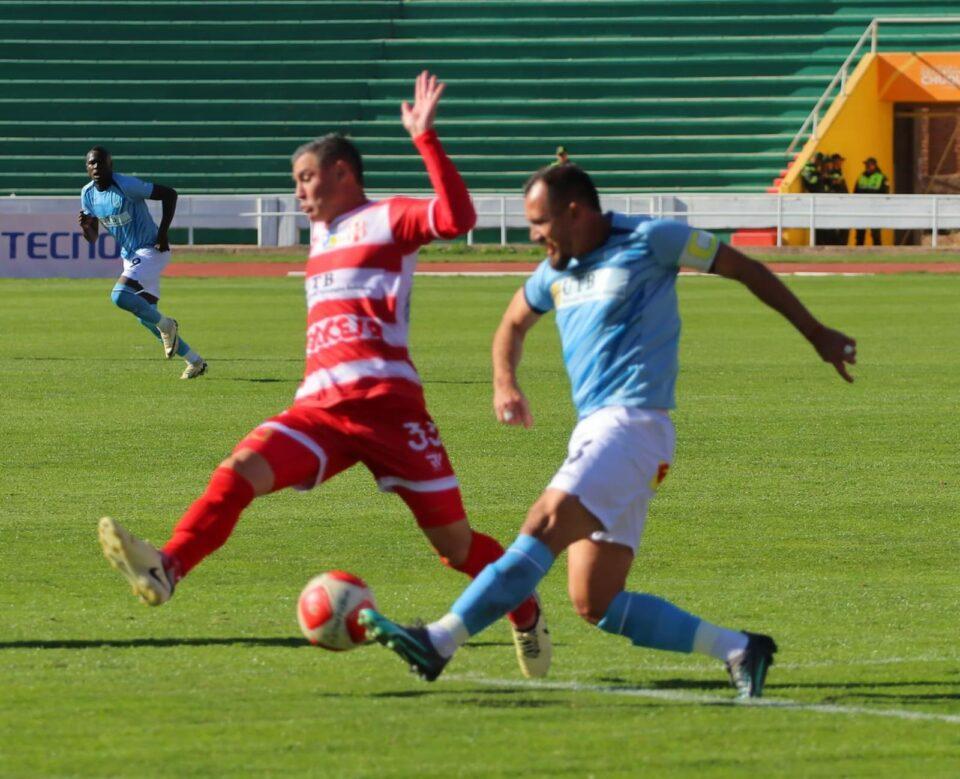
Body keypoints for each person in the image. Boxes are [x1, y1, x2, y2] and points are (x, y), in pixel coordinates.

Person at [96, 72, 550, 679]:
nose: (299, 192)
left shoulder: (389, 218)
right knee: (238, 474)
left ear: (343, 173)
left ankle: (524, 611)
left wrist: (427, 139)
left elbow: (457, 216)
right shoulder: (320, 231)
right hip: (320, 408)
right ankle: (168, 566)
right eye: (295, 182)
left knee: (457, 549)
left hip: (390, 407)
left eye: (306, 178)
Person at [360, 162, 858, 698]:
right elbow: (511, 324)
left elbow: (746, 270)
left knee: (543, 522)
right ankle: (738, 648)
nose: (534, 234)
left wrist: (816, 334)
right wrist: (505, 382)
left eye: (540, 221)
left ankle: (439, 642)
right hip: (598, 431)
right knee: (596, 601)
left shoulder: (653, 239)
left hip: (633, 425)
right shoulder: (554, 269)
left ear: (575, 212)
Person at [79, 147, 207, 379]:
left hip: (151, 250)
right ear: (86, 168)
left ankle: (168, 324)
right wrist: (85, 227)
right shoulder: (87, 194)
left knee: (119, 296)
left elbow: (170, 194)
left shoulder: (126, 185)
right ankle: (195, 361)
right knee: (147, 318)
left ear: (110, 165)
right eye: (91, 163)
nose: (96, 167)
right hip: (130, 256)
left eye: (101, 163)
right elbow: (93, 238)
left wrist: (163, 234)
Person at [854, 157, 890, 246]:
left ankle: (878, 255)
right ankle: (858, 255)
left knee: (875, 234)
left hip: (876, 209)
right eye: (866, 165)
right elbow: (855, 191)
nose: (867, 167)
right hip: (862, 209)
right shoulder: (861, 176)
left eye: (869, 165)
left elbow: (885, 193)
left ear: (874, 165)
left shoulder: (881, 177)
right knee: (860, 234)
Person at [826, 153, 850, 246]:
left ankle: (841, 244)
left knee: (844, 226)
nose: (841, 163)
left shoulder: (838, 172)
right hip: (837, 203)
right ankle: (839, 244)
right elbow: (836, 186)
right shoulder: (832, 173)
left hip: (843, 202)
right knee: (840, 226)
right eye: (839, 161)